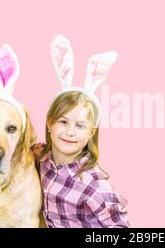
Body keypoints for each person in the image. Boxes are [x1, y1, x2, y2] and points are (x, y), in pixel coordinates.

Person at [33, 34, 130, 228]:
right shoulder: (41, 158)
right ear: (49, 123)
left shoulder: (95, 186)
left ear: (91, 132)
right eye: (63, 121)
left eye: (80, 126)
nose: (70, 132)